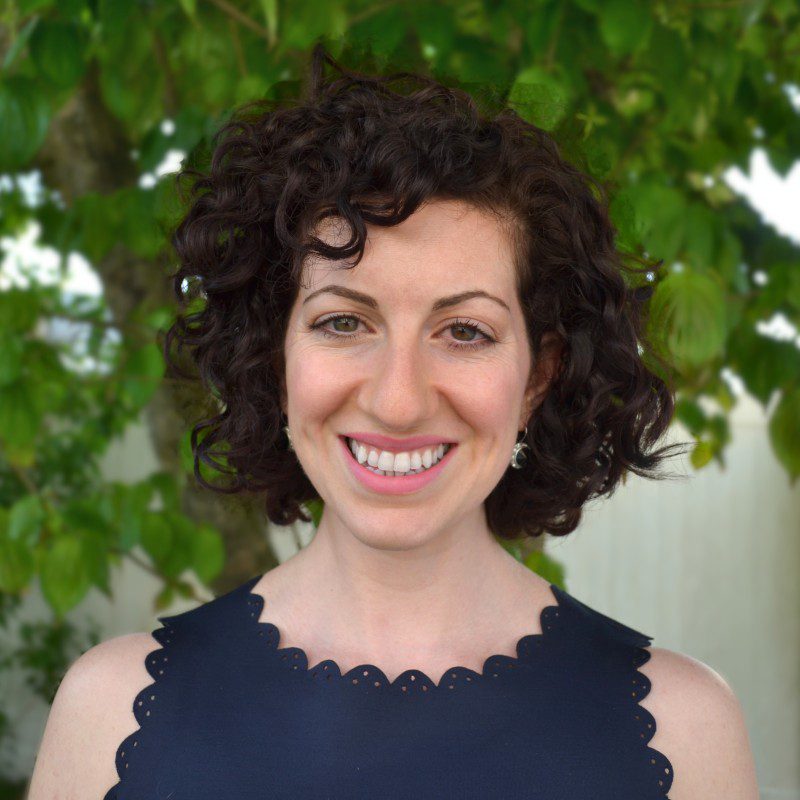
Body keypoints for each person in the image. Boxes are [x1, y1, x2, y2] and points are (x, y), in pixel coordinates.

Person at [28, 44, 759, 799]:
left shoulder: (686, 731)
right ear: (274, 356)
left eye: (464, 332)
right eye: (344, 322)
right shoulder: (106, 714)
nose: (398, 400)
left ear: (537, 377)